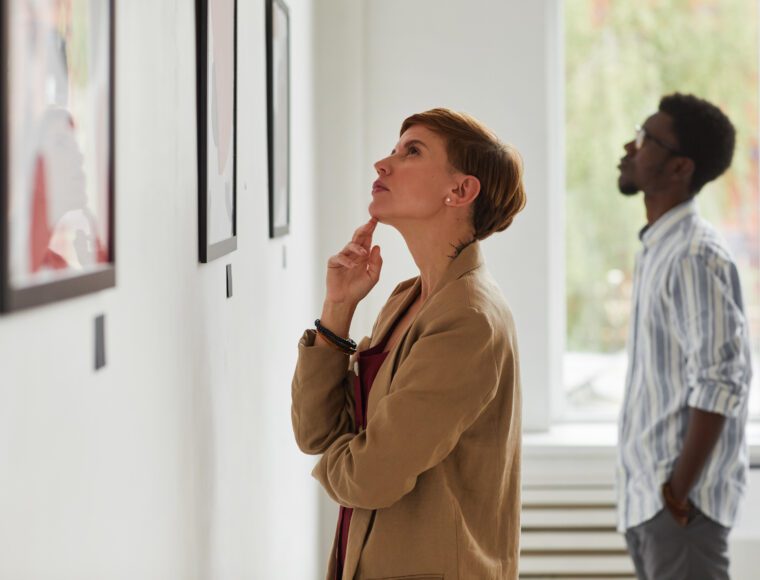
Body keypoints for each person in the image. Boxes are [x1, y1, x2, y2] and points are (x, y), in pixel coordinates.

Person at [291, 108, 526, 579]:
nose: (383, 163)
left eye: (411, 151)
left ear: (460, 191)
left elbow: (369, 477)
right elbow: (316, 432)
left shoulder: (468, 319)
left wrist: (338, 463)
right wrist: (338, 309)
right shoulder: (409, 298)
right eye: (395, 149)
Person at [616, 93, 752, 580]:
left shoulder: (695, 254)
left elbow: (721, 380)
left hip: (679, 509)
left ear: (680, 168)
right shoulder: (660, 247)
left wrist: (677, 491)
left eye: (645, 139)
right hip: (653, 505)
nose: (630, 148)